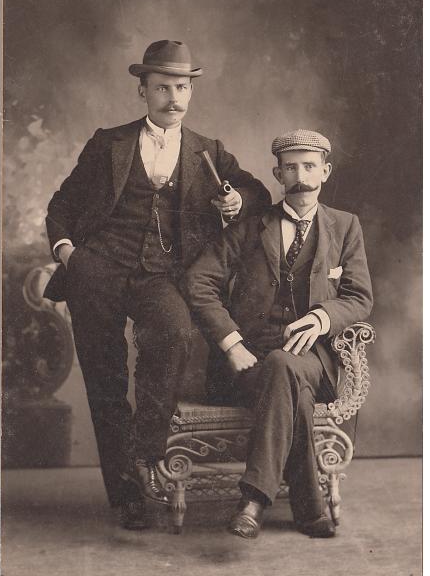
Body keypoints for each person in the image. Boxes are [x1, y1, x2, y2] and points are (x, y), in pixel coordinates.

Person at [43, 40, 271, 529]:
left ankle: (146, 458)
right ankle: (126, 495)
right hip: (98, 270)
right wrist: (69, 255)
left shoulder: (208, 151)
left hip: (162, 275)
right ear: (142, 89)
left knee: (172, 335)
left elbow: (255, 190)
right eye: (163, 86)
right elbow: (61, 205)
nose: (174, 97)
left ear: (192, 90)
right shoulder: (108, 143)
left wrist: (237, 202)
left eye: (182, 87)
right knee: (104, 380)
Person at [184, 129, 373, 539]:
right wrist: (230, 342)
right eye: (291, 168)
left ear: (325, 171)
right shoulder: (250, 228)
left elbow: (359, 297)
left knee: (286, 365)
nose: (300, 176)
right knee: (287, 379)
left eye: (309, 166)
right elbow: (199, 280)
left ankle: (254, 499)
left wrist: (323, 317)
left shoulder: (345, 226)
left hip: (315, 361)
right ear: (277, 174)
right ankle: (310, 508)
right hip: (250, 361)